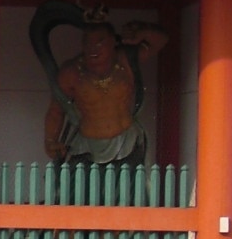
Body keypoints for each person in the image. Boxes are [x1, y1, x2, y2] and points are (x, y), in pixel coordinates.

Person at [44, 17, 168, 164]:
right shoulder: (71, 72)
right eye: (87, 43)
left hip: (126, 142)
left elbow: (161, 40)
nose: (93, 48)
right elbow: (56, 110)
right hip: (86, 147)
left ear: (113, 42)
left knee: (130, 185)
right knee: (78, 184)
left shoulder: (126, 59)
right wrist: (50, 140)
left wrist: (142, 33)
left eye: (99, 42)